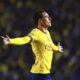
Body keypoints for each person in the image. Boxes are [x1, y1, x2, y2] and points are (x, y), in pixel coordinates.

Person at [1, 10, 64, 80]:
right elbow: (24, 39)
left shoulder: (47, 33)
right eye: (46, 17)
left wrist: (56, 48)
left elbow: (50, 44)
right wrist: (10, 41)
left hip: (41, 72)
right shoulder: (35, 33)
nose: (50, 18)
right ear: (40, 21)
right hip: (41, 73)